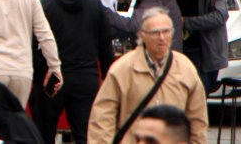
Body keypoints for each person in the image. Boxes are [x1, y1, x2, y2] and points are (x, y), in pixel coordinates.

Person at [88, 8, 207, 144]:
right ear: (142, 35)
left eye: (166, 31)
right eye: (155, 33)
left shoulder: (185, 68)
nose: (161, 37)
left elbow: (198, 120)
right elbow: (102, 117)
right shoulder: (122, 69)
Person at [30, 0, 113, 144]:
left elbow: (32, 44)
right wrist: (108, 77)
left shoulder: (45, 6)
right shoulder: (94, 4)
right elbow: (105, 46)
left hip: (52, 78)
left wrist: (37, 74)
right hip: (86, 77)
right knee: (85, 135)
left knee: (43, 135)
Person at [155, 0, 229, 93]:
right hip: (178, 51)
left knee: (196, 97)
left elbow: (220, 16)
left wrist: (185, 22)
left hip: (203, 55)